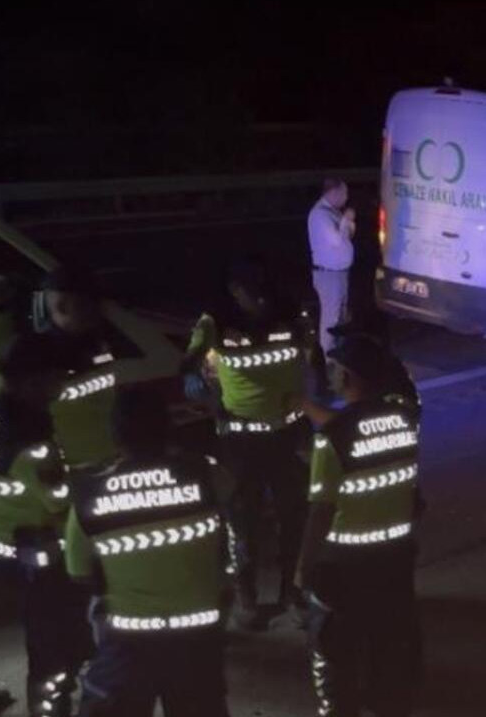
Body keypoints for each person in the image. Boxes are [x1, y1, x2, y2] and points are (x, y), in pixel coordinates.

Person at [66, 389, 230, 717]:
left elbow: (79, 572)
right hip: (198, 634)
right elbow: (231, 500)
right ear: (168, 428)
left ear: (114, 434)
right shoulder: (207, 474)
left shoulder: (88, 493)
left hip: (128, 640)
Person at [297, 336, 421, 717]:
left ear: (348, 376)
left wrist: (303, 568)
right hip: (396, 555)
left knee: (334, 651)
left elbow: (321, 510)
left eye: (334, 369)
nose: (329, 375)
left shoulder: (331, 439)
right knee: (388, 644)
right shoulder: (404, 420)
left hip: (345, 564)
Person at [183, 258, 308, 630]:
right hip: (240, 442)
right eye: (244, 292)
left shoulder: (292, 315)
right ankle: (246, 596)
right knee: (244, 525)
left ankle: (293, 592)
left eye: (258, 291)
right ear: (234, 292)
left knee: (295, 518)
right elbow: (189, 367)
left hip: (288, 437)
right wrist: (200, 382)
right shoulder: (215, 324)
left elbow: (309, 359)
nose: (254, 299)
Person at [0, 335, 91, 717]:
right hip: (39, 552)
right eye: (55, 378)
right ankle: (49, 706)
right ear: (34, 382)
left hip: (1, 538)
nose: (61, 386)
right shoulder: (33, 439)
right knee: (51, 642)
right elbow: (58, 499)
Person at [39, 267, 121, 470]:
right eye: (86, 303)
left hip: (110, 459)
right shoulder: (35, 354)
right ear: (62, 306)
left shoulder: (98, 343)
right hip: (71, 468)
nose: (98, 309)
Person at [308, 178, 356, 357]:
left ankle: (339, 356)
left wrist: (346, 222)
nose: (346, 197)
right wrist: (346, 220)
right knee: (332, 319)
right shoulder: (320, 214)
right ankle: (327, 359)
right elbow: (337, 240)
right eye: (344, 193)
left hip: (340, 273)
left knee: (341, 317)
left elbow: (349, 233)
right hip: (329, 275)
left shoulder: (333, 212)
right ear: (333, 192)